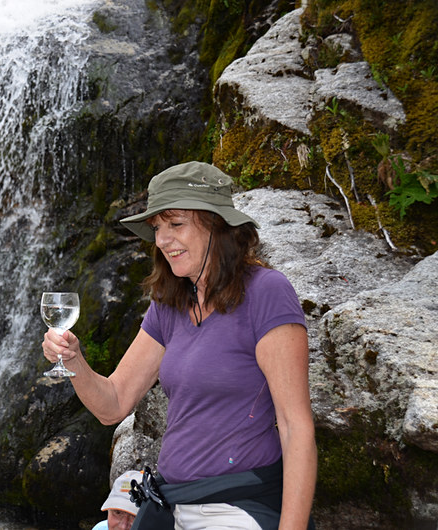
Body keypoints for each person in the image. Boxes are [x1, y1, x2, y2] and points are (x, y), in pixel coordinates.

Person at [42, 161, 317, 529]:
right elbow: (114, 404)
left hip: (234, 509)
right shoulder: (170, 302)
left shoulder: (267, 293)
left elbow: (295, 426)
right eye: (157, 227)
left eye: (176, 224)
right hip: (170, 506)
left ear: (217, 224)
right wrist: (73, 360)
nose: (161, 240)